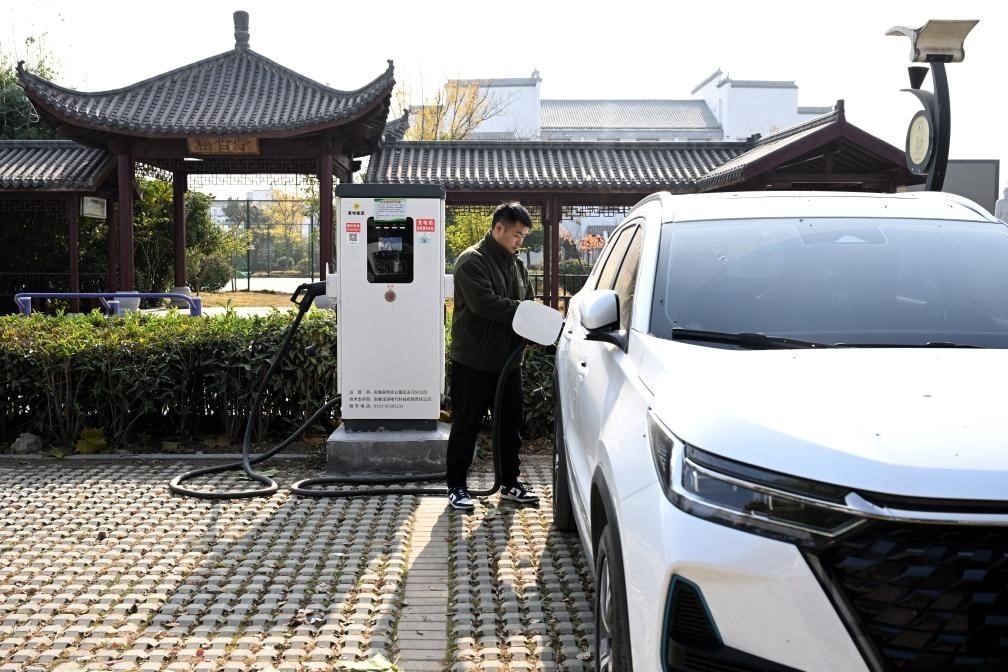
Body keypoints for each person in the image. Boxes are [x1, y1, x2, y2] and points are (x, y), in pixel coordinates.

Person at [446, 201, 539, 511]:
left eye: (523, 237)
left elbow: (528, 305)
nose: (519, 242)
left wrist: (534, 328)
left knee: (509, 427)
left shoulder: (519, 266)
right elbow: (485, 304)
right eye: (517, 235)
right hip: (473, 361)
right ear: (499, 228)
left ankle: (510, 483)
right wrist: (524, 312)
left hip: (509, 363)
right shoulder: (471, 261)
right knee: (466, 425)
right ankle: (457, 486)